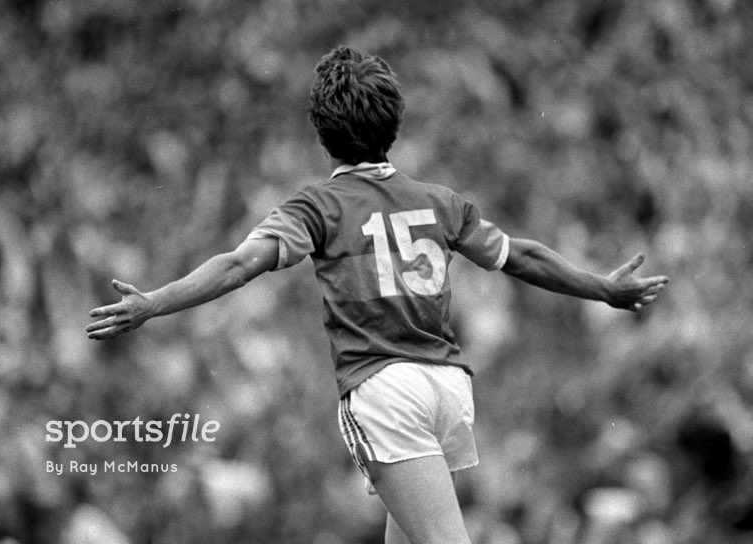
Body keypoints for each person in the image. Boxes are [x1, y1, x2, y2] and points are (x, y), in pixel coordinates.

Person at [86, 46, 669, 544]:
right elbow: (522, 255)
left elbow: (240, 266)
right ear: (394, 123)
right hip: (447, 390)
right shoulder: (440, 201)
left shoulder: (317, 207)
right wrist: (603, 287)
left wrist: (153, 303)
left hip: (385, 389)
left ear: (321, 132)